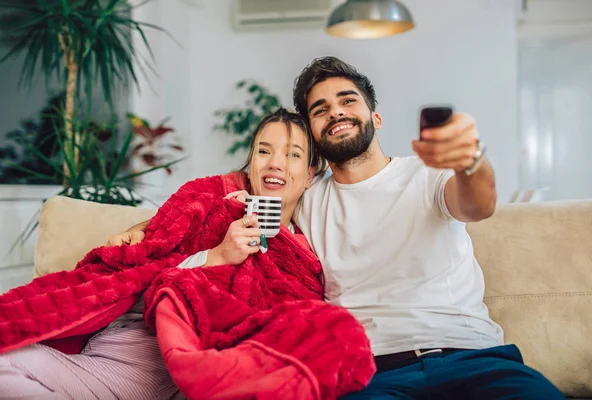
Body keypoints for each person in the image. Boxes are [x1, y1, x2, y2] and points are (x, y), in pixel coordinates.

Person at [117, 57, 565, 400]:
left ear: (376, 116)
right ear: (312, 134)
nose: (336, 112)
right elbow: (223, 194)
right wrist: (145, 225)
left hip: (475, 358)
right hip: (372, 373)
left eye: (348, 101)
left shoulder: (426, 175)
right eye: (320, 109)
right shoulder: (306, 201)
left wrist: (469, 159)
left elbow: (477, 203)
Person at [0, 108, 374, 400]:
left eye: (292, 155)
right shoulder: (212, 205)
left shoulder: (302, 257)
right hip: (97, 344)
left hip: (142, 364)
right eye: (263, 151)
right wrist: (155, 235)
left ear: (310, 175)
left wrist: (219, 259)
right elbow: (153, 258)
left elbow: (270, 327)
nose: (274, 163)